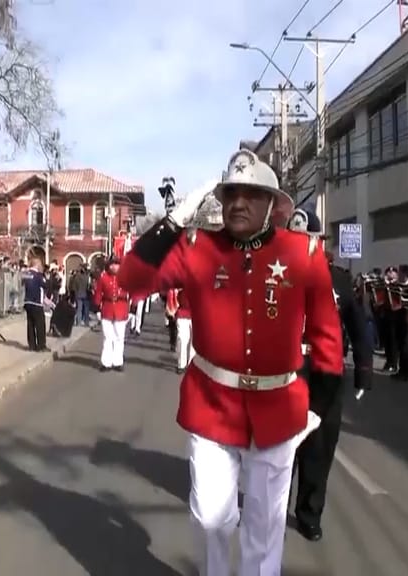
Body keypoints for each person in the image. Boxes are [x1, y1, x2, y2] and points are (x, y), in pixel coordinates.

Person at [118, 149, 343, 576]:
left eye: (251, 194)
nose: (238, 202)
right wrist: (172, 222)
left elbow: (327, 337)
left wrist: (319, 406)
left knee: (265, 523)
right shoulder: (197, 247)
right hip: (212, 405)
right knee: (210, 519)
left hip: (279, 406)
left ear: (272, 205)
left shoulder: (304, 252)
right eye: (231, 193)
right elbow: (131, 278)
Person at [287, 207, 372, 542]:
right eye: (293, 239)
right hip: (286, 370)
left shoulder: (339, 279)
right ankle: (272, 506)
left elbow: (359, 326)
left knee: (319, 447)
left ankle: (309, 512)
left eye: (306, 239)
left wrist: (364, 371)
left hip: (325, 371)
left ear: (318, 241)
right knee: (279, 447)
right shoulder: (275, 273)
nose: (300, 245)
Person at [93, 256, 130, 371]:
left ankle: (118, 361)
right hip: (107, 309)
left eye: (117, 264)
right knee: (107, 337)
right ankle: (106, 362)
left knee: (119, 337)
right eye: (112, 264)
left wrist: (133, 309)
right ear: (108, 265)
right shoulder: (103, 278)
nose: (114, 266)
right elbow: (98, 294)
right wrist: (97, 309)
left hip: (121, 308)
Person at [21, 259, 48, 352]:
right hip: (37, 302)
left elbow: (23, 284)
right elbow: (45, 285)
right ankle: (41, 346)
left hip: (27, 302)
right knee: (40, 325)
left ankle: (32, 345)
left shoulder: (26, 274)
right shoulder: (39, 276)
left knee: (30, 324)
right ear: (37, 265)